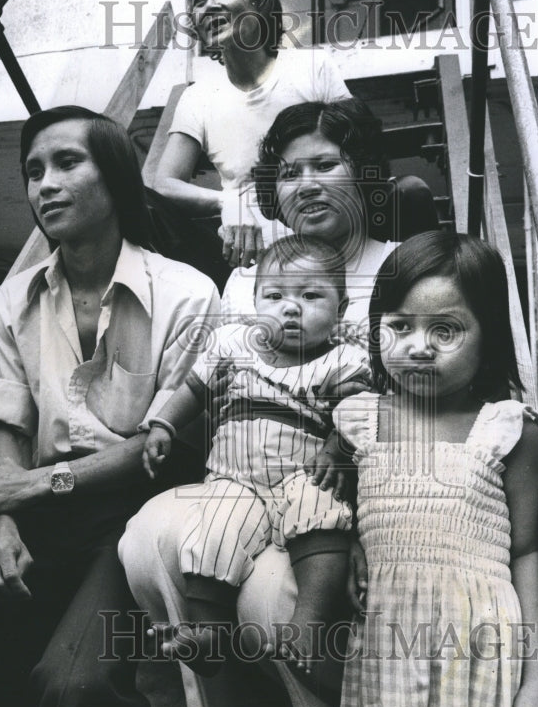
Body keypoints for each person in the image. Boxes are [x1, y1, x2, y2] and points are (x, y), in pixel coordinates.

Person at [0, 105, 220, 707]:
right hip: (30, 518)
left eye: (66, 163)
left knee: (74, 688)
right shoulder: (15, 296)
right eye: (32, 170)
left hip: (134, 521)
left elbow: (161, 448)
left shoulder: (187, 295)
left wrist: (35, 486)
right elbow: (7, 417)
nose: (43, 184)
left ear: (114, 177)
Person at [119, 99, 412, 707]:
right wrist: (163, 427)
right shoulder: (251, 275)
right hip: (246, 471)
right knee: (148, 540)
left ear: (362, 171)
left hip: (345, 481)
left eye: (326, 164)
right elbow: (211, 376)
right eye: (289, 172)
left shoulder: (399, 266)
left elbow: (408, 398)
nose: (306, 183)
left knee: (279, 601)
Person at [333, 231, 538, 707]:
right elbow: (338, 505)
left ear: (488, 336)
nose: (419, 346)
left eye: (445, 330)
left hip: (477, 650)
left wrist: (536, 684)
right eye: (400, 326)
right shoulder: (357, 421)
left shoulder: (507, 429)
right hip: (384, 645)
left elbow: (526, 551)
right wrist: (353, 538)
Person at [141, 239, 370, 675]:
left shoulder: (343, 360)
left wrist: (338, 447)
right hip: (235, 478)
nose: (290, 308)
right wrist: (163, 425)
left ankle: (309, 622)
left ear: (340, 311)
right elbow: (192, 389)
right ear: (255, 302)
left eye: (310, 295)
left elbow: (361, 412)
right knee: (214, 524)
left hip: (304, 473)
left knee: (322, 507)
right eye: (275, 296)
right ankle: (208, 632)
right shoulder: (233, 344)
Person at [155, 0, 439, 276]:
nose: (208, 7)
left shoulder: (311, 67)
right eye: (199, 0)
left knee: (410, 192)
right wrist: (228, 202)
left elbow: (363, 148)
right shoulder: (198, 96)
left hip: (321, 217)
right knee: (145, 211)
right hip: (249, 242)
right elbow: (164, 184)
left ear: (260, 0)